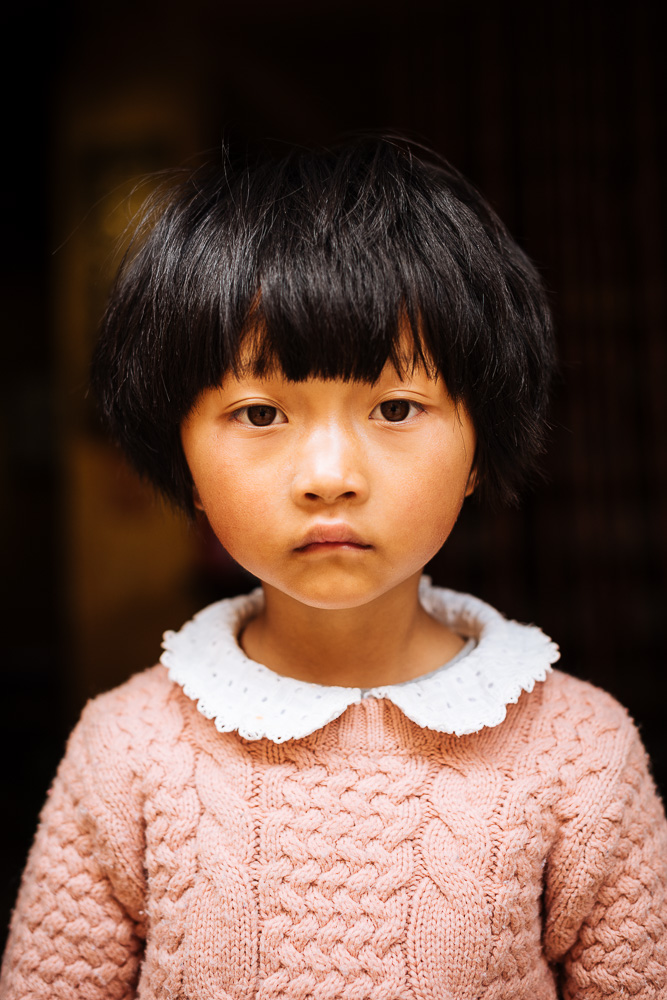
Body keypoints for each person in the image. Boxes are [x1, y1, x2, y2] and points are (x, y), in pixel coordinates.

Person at [2, 135, 666, 999]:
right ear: (182, 458)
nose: (327, 477)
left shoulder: (580, 752)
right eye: (258, 412)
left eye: (394, 406)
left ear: (478, 448)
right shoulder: (124, 749)